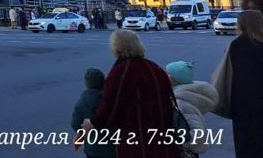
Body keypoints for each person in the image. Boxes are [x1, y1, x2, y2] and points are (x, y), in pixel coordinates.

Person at [82, 30, 179, 158]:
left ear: (116, 49)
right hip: (163, 138)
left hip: (137, 141)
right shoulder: (155, 68)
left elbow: (111, 107)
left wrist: (93, 123)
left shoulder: (121, 72)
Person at [212, 10, 263, 157]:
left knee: (246, 145)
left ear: (241, 24)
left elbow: (227, 73)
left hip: (243, 104)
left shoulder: (236, 45)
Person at [165, 60, 218, 156]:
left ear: (174, 79)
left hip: (183, 153)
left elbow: (198, 131)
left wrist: (182, 145)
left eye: (167, 73)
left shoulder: (181, 103)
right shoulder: (181, 98)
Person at [70, 67, 114, 158]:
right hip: (113, 148)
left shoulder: (82, 104)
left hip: (93, 149)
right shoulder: (112, 99)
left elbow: (76, 125)